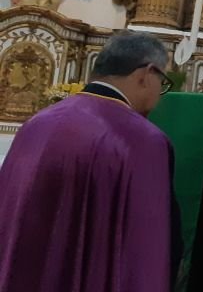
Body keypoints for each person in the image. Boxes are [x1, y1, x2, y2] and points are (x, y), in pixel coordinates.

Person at [0, 31, 181, 291]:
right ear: (146, 74)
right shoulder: (142, 141)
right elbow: (147, 248)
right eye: (162, 82)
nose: (160, 95)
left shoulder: (37, 124)